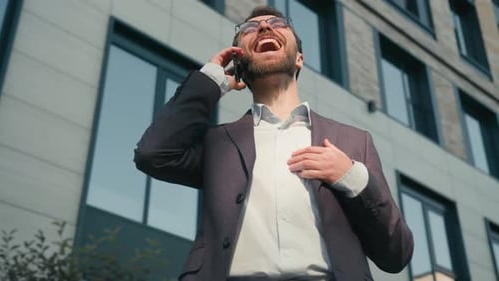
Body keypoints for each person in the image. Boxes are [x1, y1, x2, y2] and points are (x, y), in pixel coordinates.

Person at [134, 5, 413, 281]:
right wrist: (210, 81)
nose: (265, 27)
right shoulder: (218, 143)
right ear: (239, 63)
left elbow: (396, 254)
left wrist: (352, 177)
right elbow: (153, 154)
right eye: (249, 29)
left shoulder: (354, 141)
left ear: (299, 59)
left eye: (278, 24)